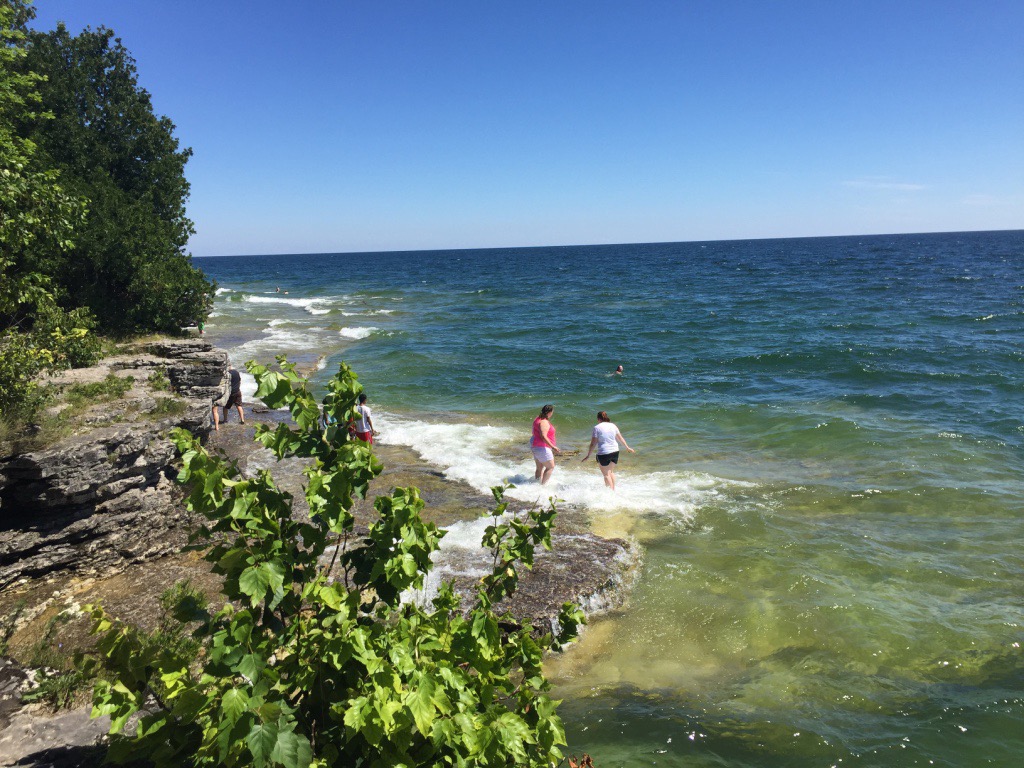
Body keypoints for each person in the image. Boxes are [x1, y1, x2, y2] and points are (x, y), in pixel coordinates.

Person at [581, 410, 634, 490]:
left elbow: (593, 443)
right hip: (615, 451)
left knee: (606, 474)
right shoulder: (613, 425)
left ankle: (611, 493)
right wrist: (627, 447)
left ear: (598, 419)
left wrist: (588, 455)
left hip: (604, 453)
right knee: (611, 472)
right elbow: (620, 438)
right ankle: (614, 490)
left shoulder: (597, 428)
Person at [531, 404, 561, 485]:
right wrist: (553, 446)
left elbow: (534, 432)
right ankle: (543, 486)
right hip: (542, 447)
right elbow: (543, 436)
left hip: (536, 446)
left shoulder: (537, 418)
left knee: (539, 468)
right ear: (550, 412)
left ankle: (536, 485)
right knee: (550, 467)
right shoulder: (544, 422)